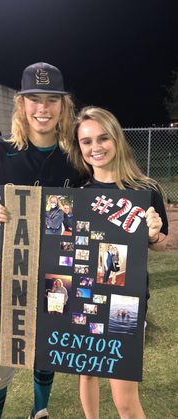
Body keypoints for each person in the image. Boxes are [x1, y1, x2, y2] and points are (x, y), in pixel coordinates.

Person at [0, 62, 83, 419]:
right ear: (21, 103)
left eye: (52, 99)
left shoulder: (75, 157)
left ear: (64, 106)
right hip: (11, 272)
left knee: (45, 348)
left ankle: (40, 409)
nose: (43, 108)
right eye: (34, 98)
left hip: (56, 274)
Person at [68, 106, 168, 419]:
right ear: (79, 147)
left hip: (125, 303)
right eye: (86, 141)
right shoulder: (76, 192)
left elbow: (161, 243)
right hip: (84, 297)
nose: (95, 147)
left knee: (124, 398)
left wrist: (153, 234)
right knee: (87, 373)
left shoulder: (145, 189)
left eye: (103, 138)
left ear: (117, 139)